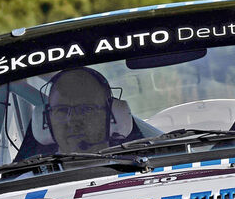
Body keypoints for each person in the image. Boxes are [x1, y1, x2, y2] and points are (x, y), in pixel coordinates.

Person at [15, 67, 143, 159]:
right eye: (62, 110)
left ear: (111, 115)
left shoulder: (148, 164)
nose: (72, 120)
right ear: (46, 120)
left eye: (86, 109)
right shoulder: (21, 183)